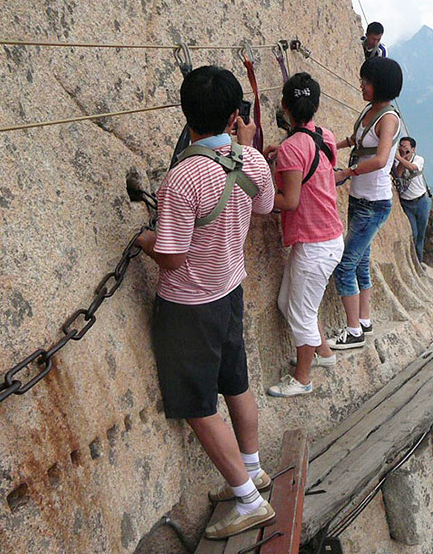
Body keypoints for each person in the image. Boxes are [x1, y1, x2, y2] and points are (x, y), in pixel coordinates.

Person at [135, 65, 276, 540]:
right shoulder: (251, 161)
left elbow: (172, 259)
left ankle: (248, 498)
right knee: (236, 382)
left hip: (189, 305)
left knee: (197, 405)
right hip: (229, 289)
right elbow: (265, 206)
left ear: (185, 113)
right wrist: (248, 145)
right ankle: (252, 469)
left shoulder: (182, 179)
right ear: (236, 115)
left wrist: (142, 239)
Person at [263, 73, 344, 398]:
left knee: (301, 314)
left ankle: (302, 378)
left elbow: (289, 201)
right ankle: (323, 353)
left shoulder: (292, 149)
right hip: (324, 238)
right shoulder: (326, 136)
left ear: (284, 106)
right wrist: (284, 151)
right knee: (288, 303)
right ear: (316, 104)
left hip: (315, 245)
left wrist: (257, 196)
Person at [331, 57, 403, 349]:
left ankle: (353, 332)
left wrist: (347, 172)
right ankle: (364, 320)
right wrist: (331, 145)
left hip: (374, 202)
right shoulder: (370, 111)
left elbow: (381, 158)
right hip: (361, 199)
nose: (361, 85)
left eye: (367, 82)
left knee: (345, 265)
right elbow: (357, 141)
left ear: (380, 85)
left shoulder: (388, 118)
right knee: (360, 262)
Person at [394, 136, 430, 262]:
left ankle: (418, 262)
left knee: (421, 235)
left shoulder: (418, 159)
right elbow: (397, 174)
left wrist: (399, 158)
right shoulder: (398, 162)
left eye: (406, 147)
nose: (403, 148)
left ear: (413, 149)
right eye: (401, 146)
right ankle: (413, 261)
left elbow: (413, 168)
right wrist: (401, 159)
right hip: (406, 203)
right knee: (413, 234)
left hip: (420, 201)